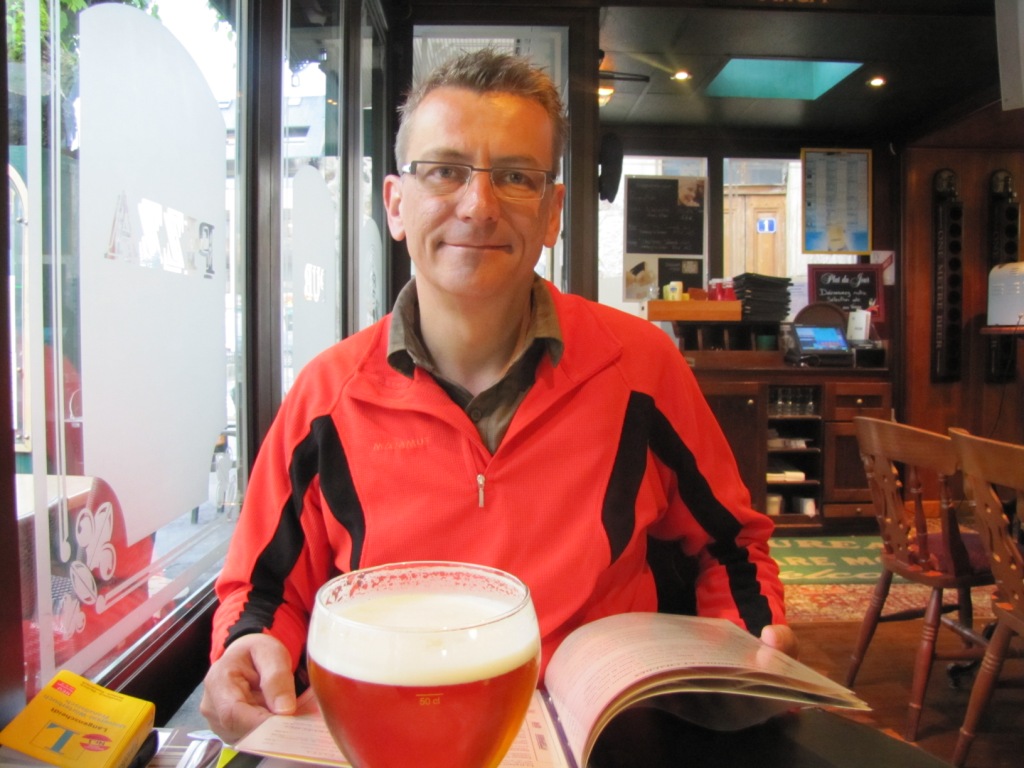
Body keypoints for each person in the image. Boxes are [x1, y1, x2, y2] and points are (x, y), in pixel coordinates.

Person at [200, 48, 796, 743]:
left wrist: (750, 645)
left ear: (552, 213)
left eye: (516, 177)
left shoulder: (642, 369)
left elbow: (730, 546)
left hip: (604, 738)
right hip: (398, 735)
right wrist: (247, 651)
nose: (479, 207)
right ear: (395, 204)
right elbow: (263, 592)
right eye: (444, 171)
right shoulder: (326, 397)